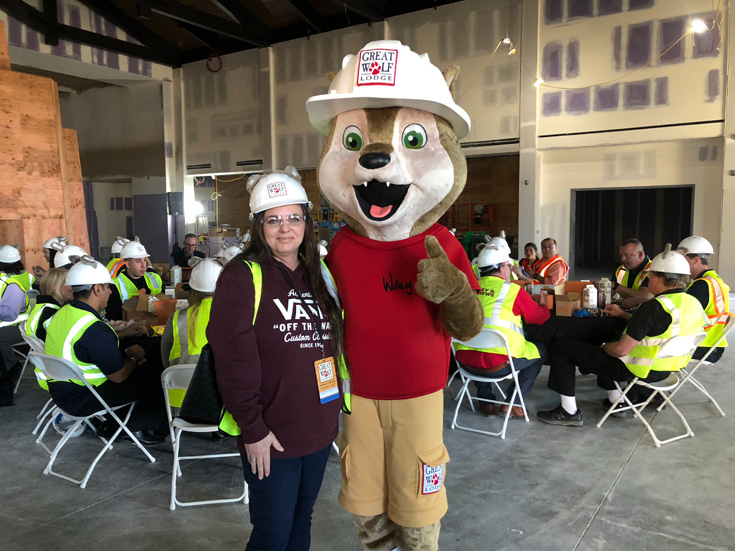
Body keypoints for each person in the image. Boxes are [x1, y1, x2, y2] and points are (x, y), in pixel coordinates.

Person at [207, 168, 345, 551]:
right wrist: (252, 429)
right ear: (258, 226)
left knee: (303, 519)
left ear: (306, 221)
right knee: (272, 532)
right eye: (273, 219)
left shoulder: (319, 275)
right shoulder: (242, 277)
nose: (285, 228)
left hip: (319, 424)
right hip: (271, 434)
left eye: (293, 217)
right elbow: (232, 361)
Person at [537, 245, 708, 426]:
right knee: (609, 336)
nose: (648, 281)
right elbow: (660, 327)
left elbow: (620, 350)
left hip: (637, 369)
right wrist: (622, 314)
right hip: (668, 369)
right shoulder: (692, 303)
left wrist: (603, 346)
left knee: (563, 347)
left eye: (651, 276)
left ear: (661, 278)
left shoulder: (654, 307)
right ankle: (616, 401)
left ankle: (568, 411)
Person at [44, 259, 166, 445]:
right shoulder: (93, 328)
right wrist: (134, 356)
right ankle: (130, 427)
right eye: (108, 287)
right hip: (86, 397)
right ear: (97, 289)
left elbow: (85, 349)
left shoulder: (63, 313)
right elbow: (118, 377)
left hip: (63, 391)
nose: (110, 291)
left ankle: (117, 422)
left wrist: (123, 337)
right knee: (156, 374)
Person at [454, 244, 549, 418]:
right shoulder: (512, 290)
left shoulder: (468, 290)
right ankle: (512, 403)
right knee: (540, 350)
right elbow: (538, 318)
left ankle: (486, 402)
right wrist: (543, 304)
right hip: (499, 365)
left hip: (466, 364)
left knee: (477, 345)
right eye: (508, 266)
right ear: (500, 268)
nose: (510, 269)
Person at [161, 257, 225, 367]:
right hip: (223, 382)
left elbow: (165, 362)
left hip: (182, 382)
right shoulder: (237, 317)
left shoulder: (177, 318)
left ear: (192, 290)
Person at [677, 235, 729, 362]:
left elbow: (679, 317)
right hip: (713, 343)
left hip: (704, 346)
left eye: (683, 260)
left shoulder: (702, 285)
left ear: (696, 260)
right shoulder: (714, 279)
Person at [106, 239, 163, 320]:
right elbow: (113, 315)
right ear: (128, 264)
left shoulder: (155, 278)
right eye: (138, 261)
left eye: (144, 260)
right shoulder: (115, 284)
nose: (144, 265)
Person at [613, 238, 653, 309]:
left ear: (640, 255)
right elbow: (609, 291)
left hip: (645, 313)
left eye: (627, 255)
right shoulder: (621, 269)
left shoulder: (653, 270)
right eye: (621, 256)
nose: (623, 259)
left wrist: (616, 286)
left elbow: (644, 296)